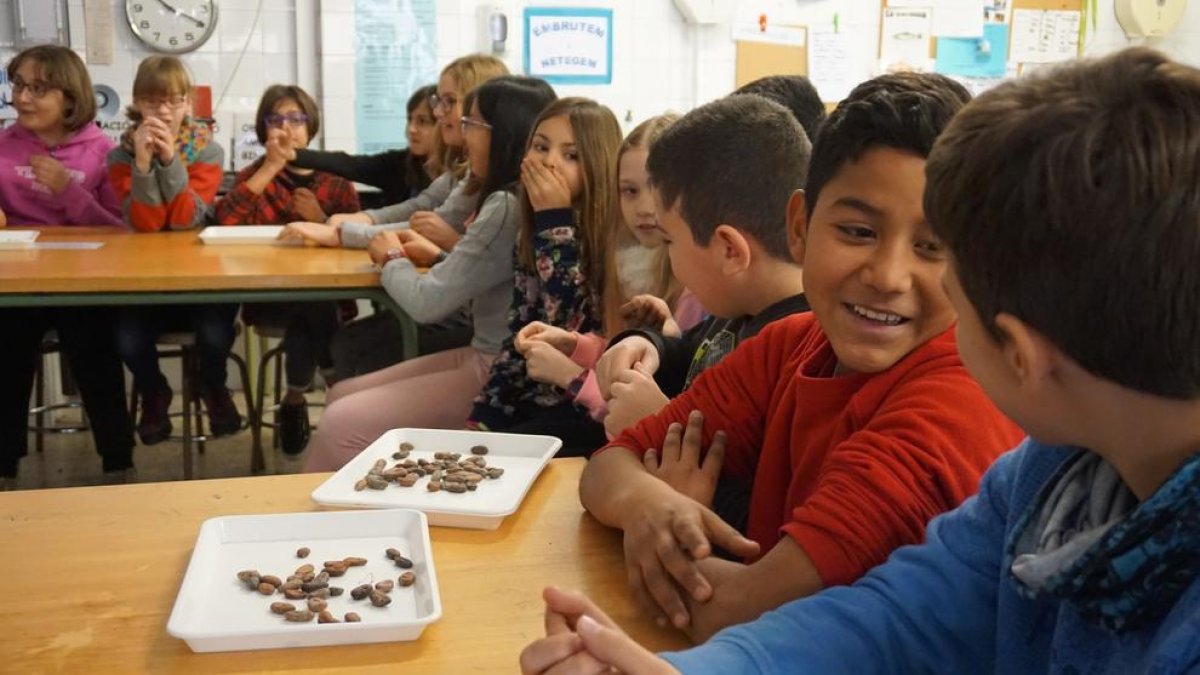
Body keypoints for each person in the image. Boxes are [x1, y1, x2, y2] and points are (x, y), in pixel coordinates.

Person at [519, 47, 1200, 675]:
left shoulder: (972, 419)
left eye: (946, 258)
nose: (893, 276)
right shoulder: (1047, 472)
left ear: (1018, 354)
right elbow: (891, 618)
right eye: (859, 230)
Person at [578, 77, 1022, 642]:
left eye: (931, 246)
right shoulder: (793, 342)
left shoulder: (957, 403)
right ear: (800, 226)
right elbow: (608, 466)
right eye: (858, 231)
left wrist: (672, 534)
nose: (887, 277)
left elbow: (742, 608)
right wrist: (651, 503)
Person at [302, 76, 558, 472]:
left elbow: (428, 303)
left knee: (339, 423)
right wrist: (437, 255)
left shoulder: (506, 204)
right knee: (340, 395)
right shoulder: (491, 191)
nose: (458, 131)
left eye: (471, 124)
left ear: (502, 134)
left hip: (499, 369)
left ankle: (333, 525)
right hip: (485, 351)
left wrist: (391, 257)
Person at [512, 114, 705, 434]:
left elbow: (653, 409)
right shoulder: (624, 258)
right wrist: (574, 345)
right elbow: (618, 355)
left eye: (657, 190)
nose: (644, 208)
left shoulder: (695, 286)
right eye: (629, 191)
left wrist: (571, 376)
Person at [0, 44, 135, 488]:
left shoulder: (102, 151)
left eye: (38, 88)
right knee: (6, 352)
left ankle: (118, 461)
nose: (22, 98)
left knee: (96, 351)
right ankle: (5, 467)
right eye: (18, 85)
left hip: (83, 281)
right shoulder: (3, 147)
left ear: (70, 98)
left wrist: (68, 192)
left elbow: (119, 230)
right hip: (17, 281)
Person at [465, 97, 623, 455]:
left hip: (586, 408)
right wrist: (488, 409)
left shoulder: (610, 238)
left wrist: (555, 221)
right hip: (535, 394)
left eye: (571, 155)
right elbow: (521, 329)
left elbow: (569, 326)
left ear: (597, 164)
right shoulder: (531, 230)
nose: (549, 161)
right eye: (540, 147)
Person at [210, 84, 360, 454]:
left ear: (311, 126)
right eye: (276, 119)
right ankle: (335, 388)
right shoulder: (254, 175)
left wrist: (322, 219)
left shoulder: (336, 180)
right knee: (311, 309)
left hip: (330, 295)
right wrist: (272, 166)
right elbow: (223, 221)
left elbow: (358, 233)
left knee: (311, 310)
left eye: (296, 119)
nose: (286, 127)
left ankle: (293, 400)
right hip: (270, 294)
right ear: (263, 129)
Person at [107, 55, 238, 444]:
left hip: (200, 279)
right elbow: (146, 225)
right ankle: (155, 391)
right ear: (137, 103)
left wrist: (169, 160)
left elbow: (185, 219)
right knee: (126, 338)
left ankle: (212, 384)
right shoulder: (119, 157)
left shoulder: (207, 151)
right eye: (152, 101)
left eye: (174, 100)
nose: (163, 110)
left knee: (216, 336)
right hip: (146, 281)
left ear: (187, 104)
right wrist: (143, 166)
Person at [288, 84, 440, 204]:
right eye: (409, 119)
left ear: (443, 124)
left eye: (422, 121)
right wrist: (292, 154)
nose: (411, 129)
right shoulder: (399, 164)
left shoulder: (456, 176)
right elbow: (348, 163)